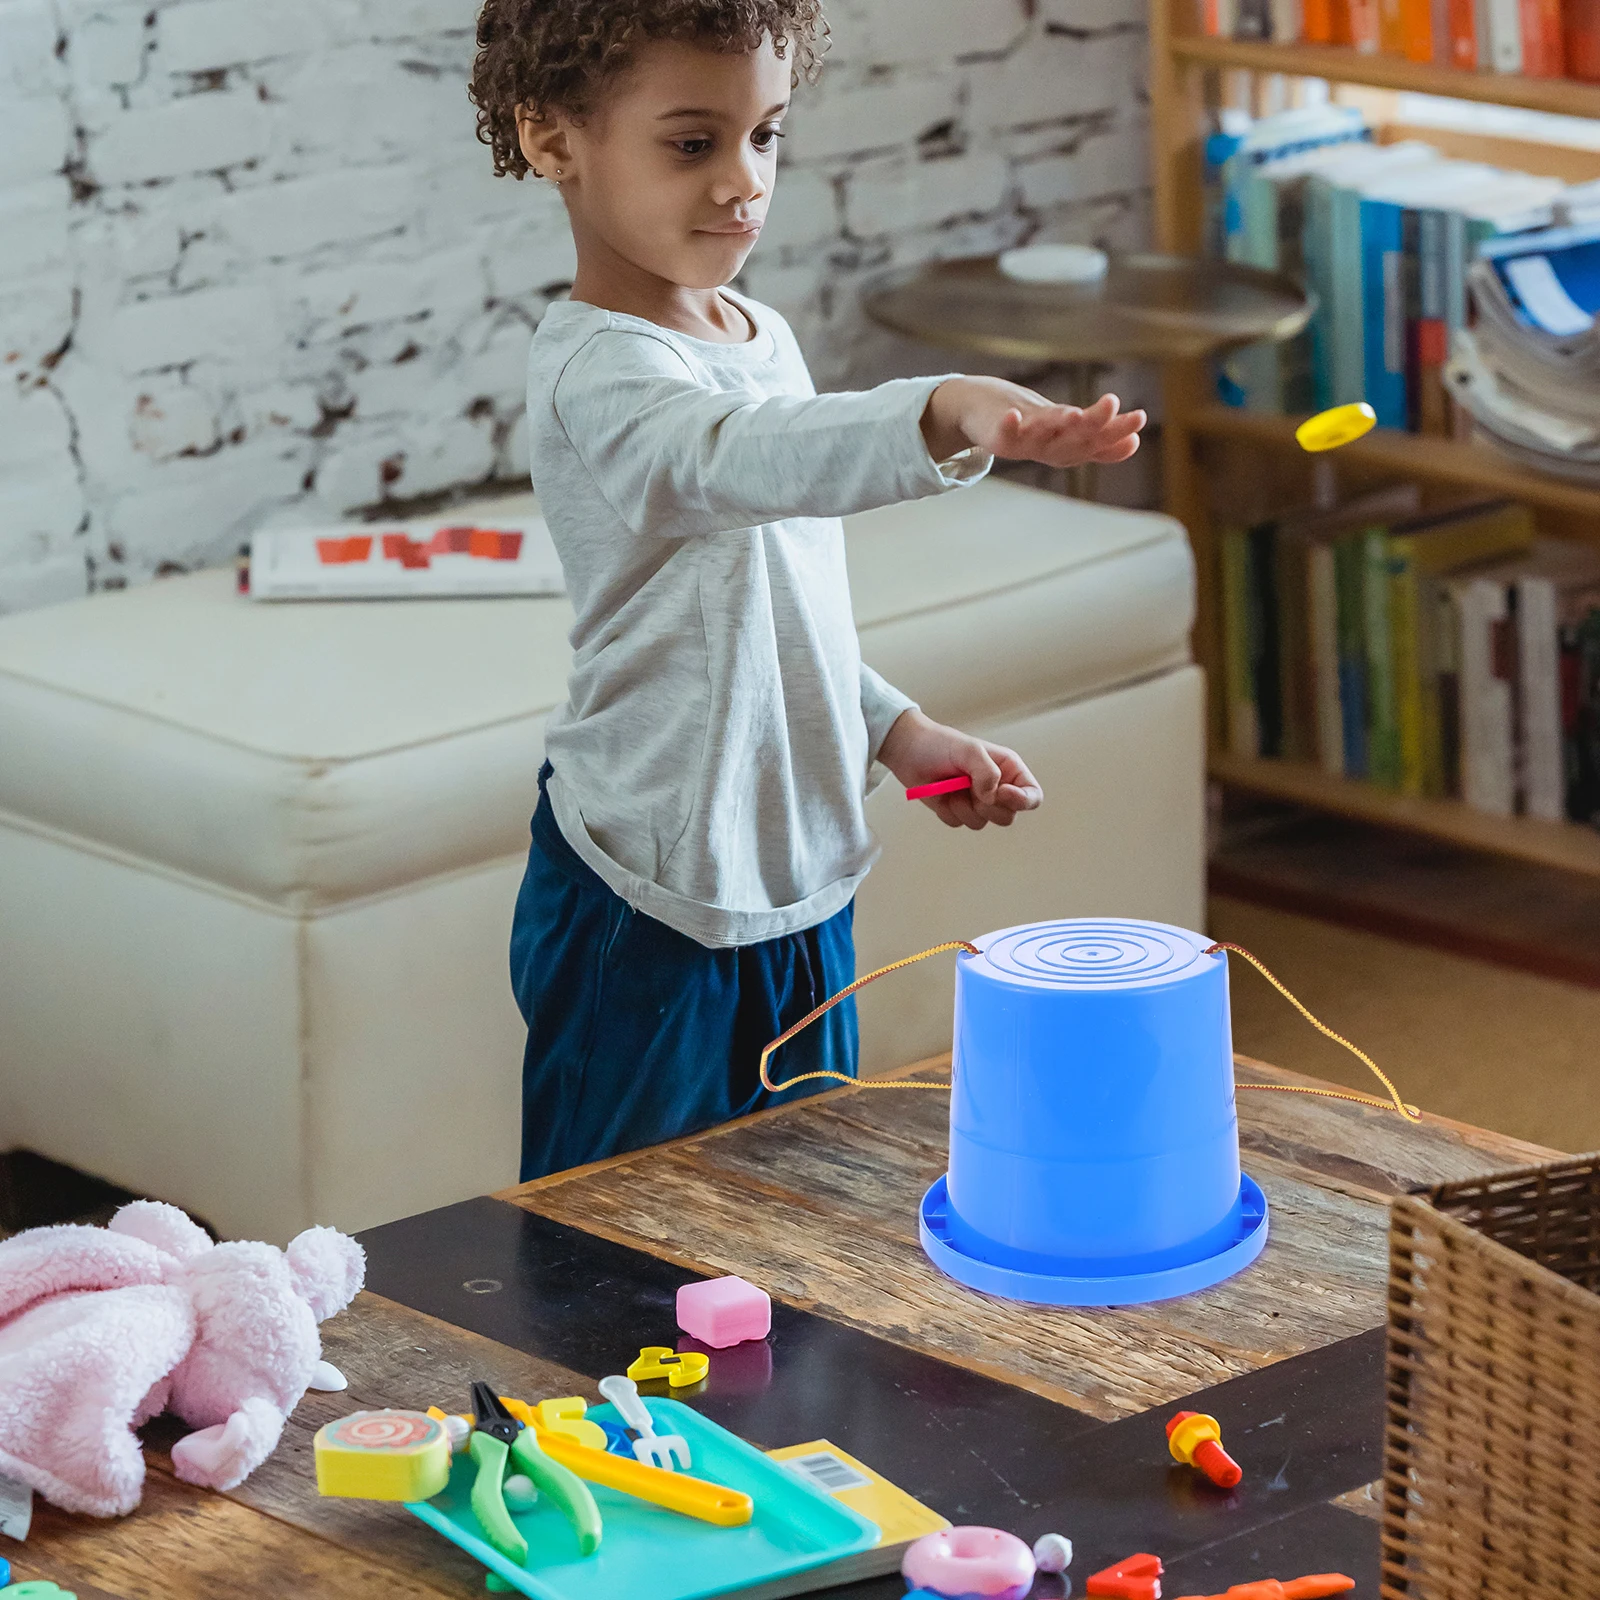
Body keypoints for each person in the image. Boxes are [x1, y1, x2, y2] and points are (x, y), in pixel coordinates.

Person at [468, 0, 1147, 1180]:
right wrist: (941, 407)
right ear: (551, 136)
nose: (743, 182)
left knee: (796, 1201)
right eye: (692, 143)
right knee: (618, 1231)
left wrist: (893, 729)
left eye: (766, 135)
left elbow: (771, 605)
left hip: (797, 879)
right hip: (649, 889)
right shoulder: (598, 369)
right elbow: (731, 455)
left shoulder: (759, 335)